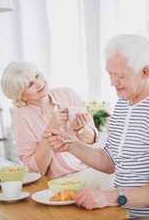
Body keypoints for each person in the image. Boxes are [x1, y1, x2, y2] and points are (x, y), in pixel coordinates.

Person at [46, 34, 149, 218]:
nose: (112, 82)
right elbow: (110, 162)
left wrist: (110, 198)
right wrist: (72, 146)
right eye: (109, 73)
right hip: (121, 213)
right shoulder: (123, 105)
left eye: (120, 75)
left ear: (145, 72)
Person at [1, 61, 114, 190]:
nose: (39, 84)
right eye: (30, 84)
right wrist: (51, 129)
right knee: (112, 178)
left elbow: (93, 140)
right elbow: (37, 170)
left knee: (123, 174)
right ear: (20, 96)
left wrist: (80, 129)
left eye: (37, 75)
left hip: (90, 168)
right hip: (61, 180)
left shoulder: (68, 94)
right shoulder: (22, 116)